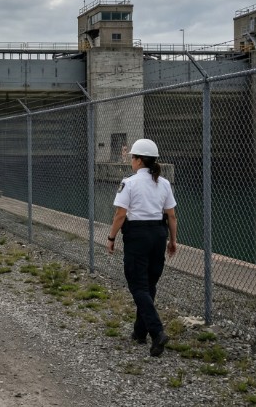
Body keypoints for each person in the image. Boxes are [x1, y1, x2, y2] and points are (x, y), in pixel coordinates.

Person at [106, 138, 178, 357]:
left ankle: (157, 332)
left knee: (137, 285)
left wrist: (111, 237)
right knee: (149, 284)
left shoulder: (129, 183)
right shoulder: (164, 183)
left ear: (138, 160)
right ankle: (140, 332)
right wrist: (172, 241)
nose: (131, 162)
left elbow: (120, 214)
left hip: (137, 236)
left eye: (133, 158)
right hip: (158, 234)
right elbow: (171, 215)